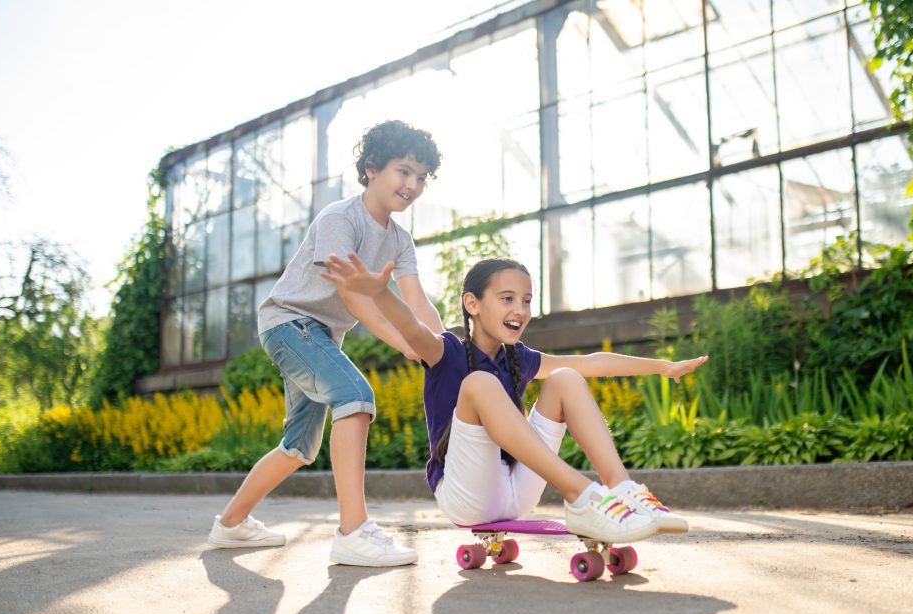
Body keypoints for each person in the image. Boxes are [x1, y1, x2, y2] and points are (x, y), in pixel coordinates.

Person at [322, 255, 709, 543]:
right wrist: (380, 294)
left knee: (565, 378)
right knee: (479, 384)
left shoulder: (519, 358)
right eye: (507, 299)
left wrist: (663, 367)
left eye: (526, 300)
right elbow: (411, 325)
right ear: (472, 304)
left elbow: (592, 362)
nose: (520, 310)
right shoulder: (444, 352)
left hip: (516, 492)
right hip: (465, 495)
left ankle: (622, 489)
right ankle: (582, 496)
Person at [207, 120, 445, 567]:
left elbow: (417, 304)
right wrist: (403, 343)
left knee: (299, 446)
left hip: (319, 336)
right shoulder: (341, 219)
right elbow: (353, 297)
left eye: (421, 177)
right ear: (371, 168)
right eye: (403, 171)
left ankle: (232, 524)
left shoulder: (400, 240)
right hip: (289, 325)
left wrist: (446, 345)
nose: (412, 185)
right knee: (356, 396)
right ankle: (353, 532)